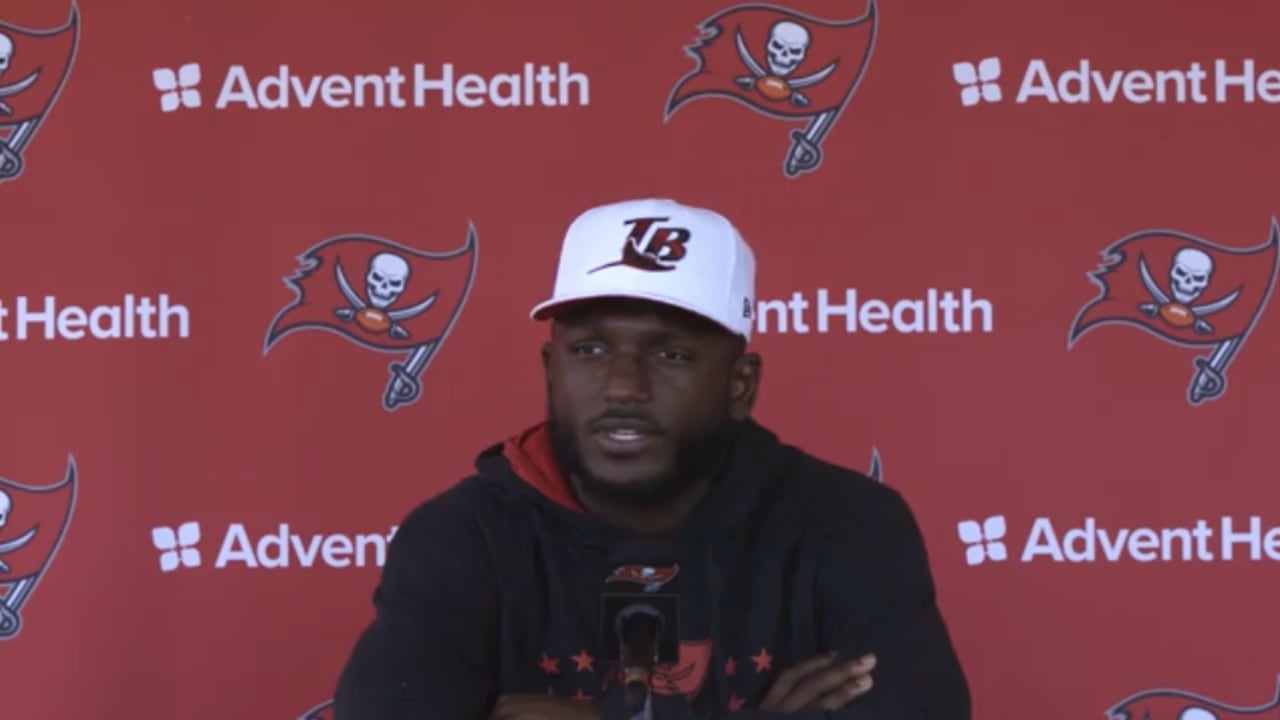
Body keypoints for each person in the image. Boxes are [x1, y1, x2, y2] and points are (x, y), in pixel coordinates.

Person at [333, 198, 972, 719]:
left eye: (671, 355)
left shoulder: (847, 525)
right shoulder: (462, 536)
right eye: (589, 351)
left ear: (740, 385)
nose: (623, 388)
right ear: (551, 370)